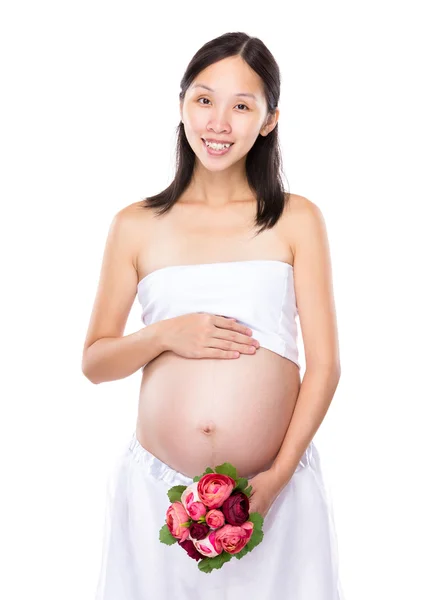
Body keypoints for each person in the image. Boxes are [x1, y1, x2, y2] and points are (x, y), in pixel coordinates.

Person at [83, 31, 345, 600]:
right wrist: (164, 334)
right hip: (157, 494)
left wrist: (275, 481)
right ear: (182, 105)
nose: (219, 123)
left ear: (269, 120)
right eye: (204, 100)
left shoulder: (296, 219)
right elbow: (96, 362)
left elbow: (324, 367)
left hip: (271, 493)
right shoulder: (137, 224)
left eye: (242, 106)